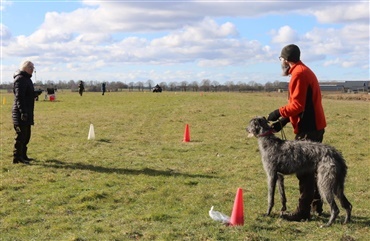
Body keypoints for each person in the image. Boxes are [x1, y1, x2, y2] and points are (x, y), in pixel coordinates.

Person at [267, 44, 327, 221]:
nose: (281, 63)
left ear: (286, 60)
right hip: (314, 125)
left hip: (308, 128)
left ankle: (303, 212)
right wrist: (282, 123)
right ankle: (316, 205)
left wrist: (278, 113)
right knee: (313, 167)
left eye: (281, 59)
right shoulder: (303, 70)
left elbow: (297, 106)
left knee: (304, 171)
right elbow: (301, 105)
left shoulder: (299, 74)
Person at [12, 60, 36, 164]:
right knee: (21, 136)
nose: (33, 70)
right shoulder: (20, 79)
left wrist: (34, 94)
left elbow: (27, 94)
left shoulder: (27, 79)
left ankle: (24, 155)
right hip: (20, 113)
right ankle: (17, 157)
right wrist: (23, 112)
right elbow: (19, 97)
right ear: (26, 68)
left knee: (27, 136)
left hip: (27, 111)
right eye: (31, 68)